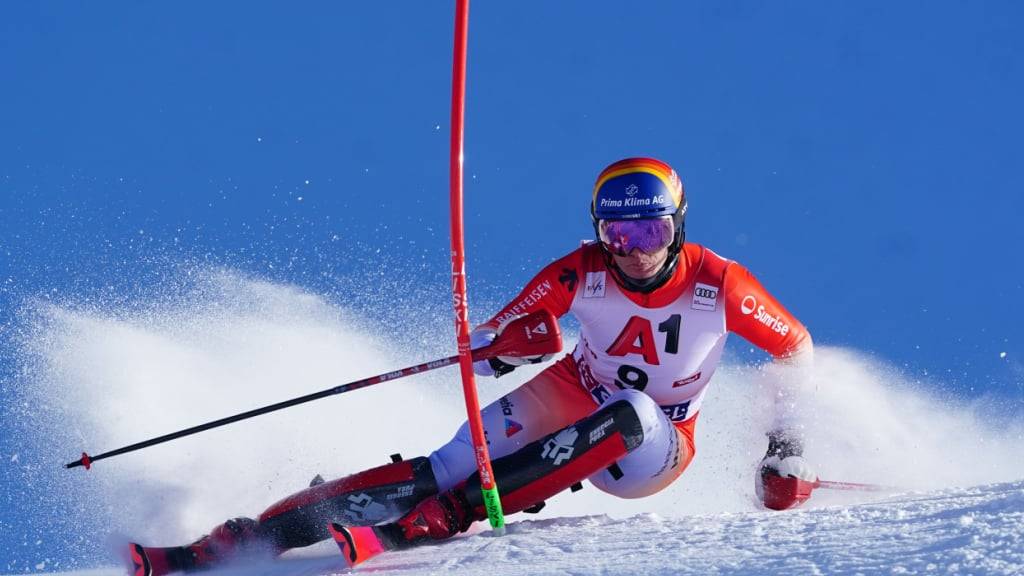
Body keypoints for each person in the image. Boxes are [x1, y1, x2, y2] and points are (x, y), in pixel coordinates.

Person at [130, 157, 817, 574]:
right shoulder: (580, 272)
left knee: (631, 414)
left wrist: (785, 448)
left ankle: (442, 519)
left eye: (651, 232)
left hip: (654, 445)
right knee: (454, 458)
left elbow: (796, 346)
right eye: (618, 234)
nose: (635, 251)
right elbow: (490, 340)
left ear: (679, 226)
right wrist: (504, 344)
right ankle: (250, 538)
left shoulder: (719, 284)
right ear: (599, 232)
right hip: (575, 389)